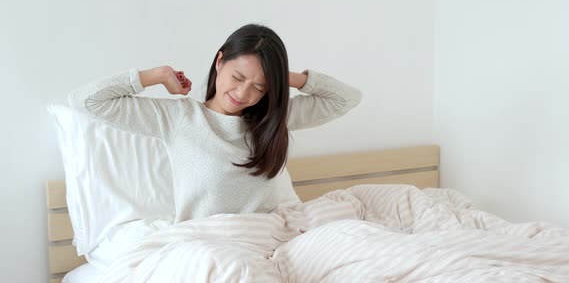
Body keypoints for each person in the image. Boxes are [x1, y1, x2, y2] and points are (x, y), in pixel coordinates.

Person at [68, 23, 362, 223]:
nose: (244, 93)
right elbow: (86, 100)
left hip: (277, 235)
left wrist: (288, 78)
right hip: (213, 243)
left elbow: (346, 99)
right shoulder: (179, 118)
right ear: (219, 62)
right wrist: (155, 75)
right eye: (237, 77)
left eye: (260, 87)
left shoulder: (271, 119)